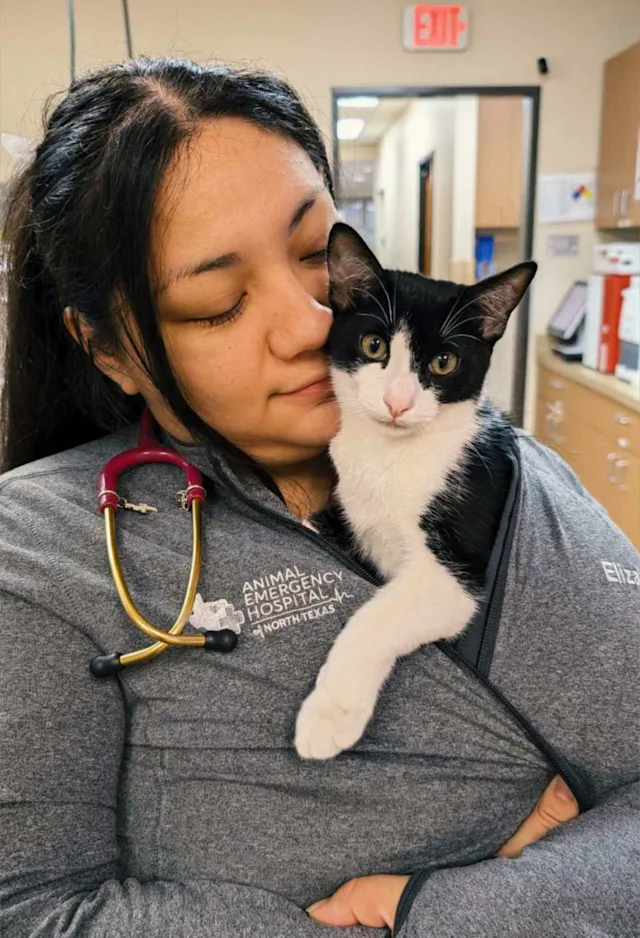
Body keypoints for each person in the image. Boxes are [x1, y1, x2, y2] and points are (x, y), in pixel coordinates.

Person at [0, 57, 637, 938]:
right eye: (219, 303)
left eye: (317, 254)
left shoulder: (502, 465)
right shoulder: (37, 555)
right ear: (107, 349)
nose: (311, 324)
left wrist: (446, 905)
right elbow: (34, 912)